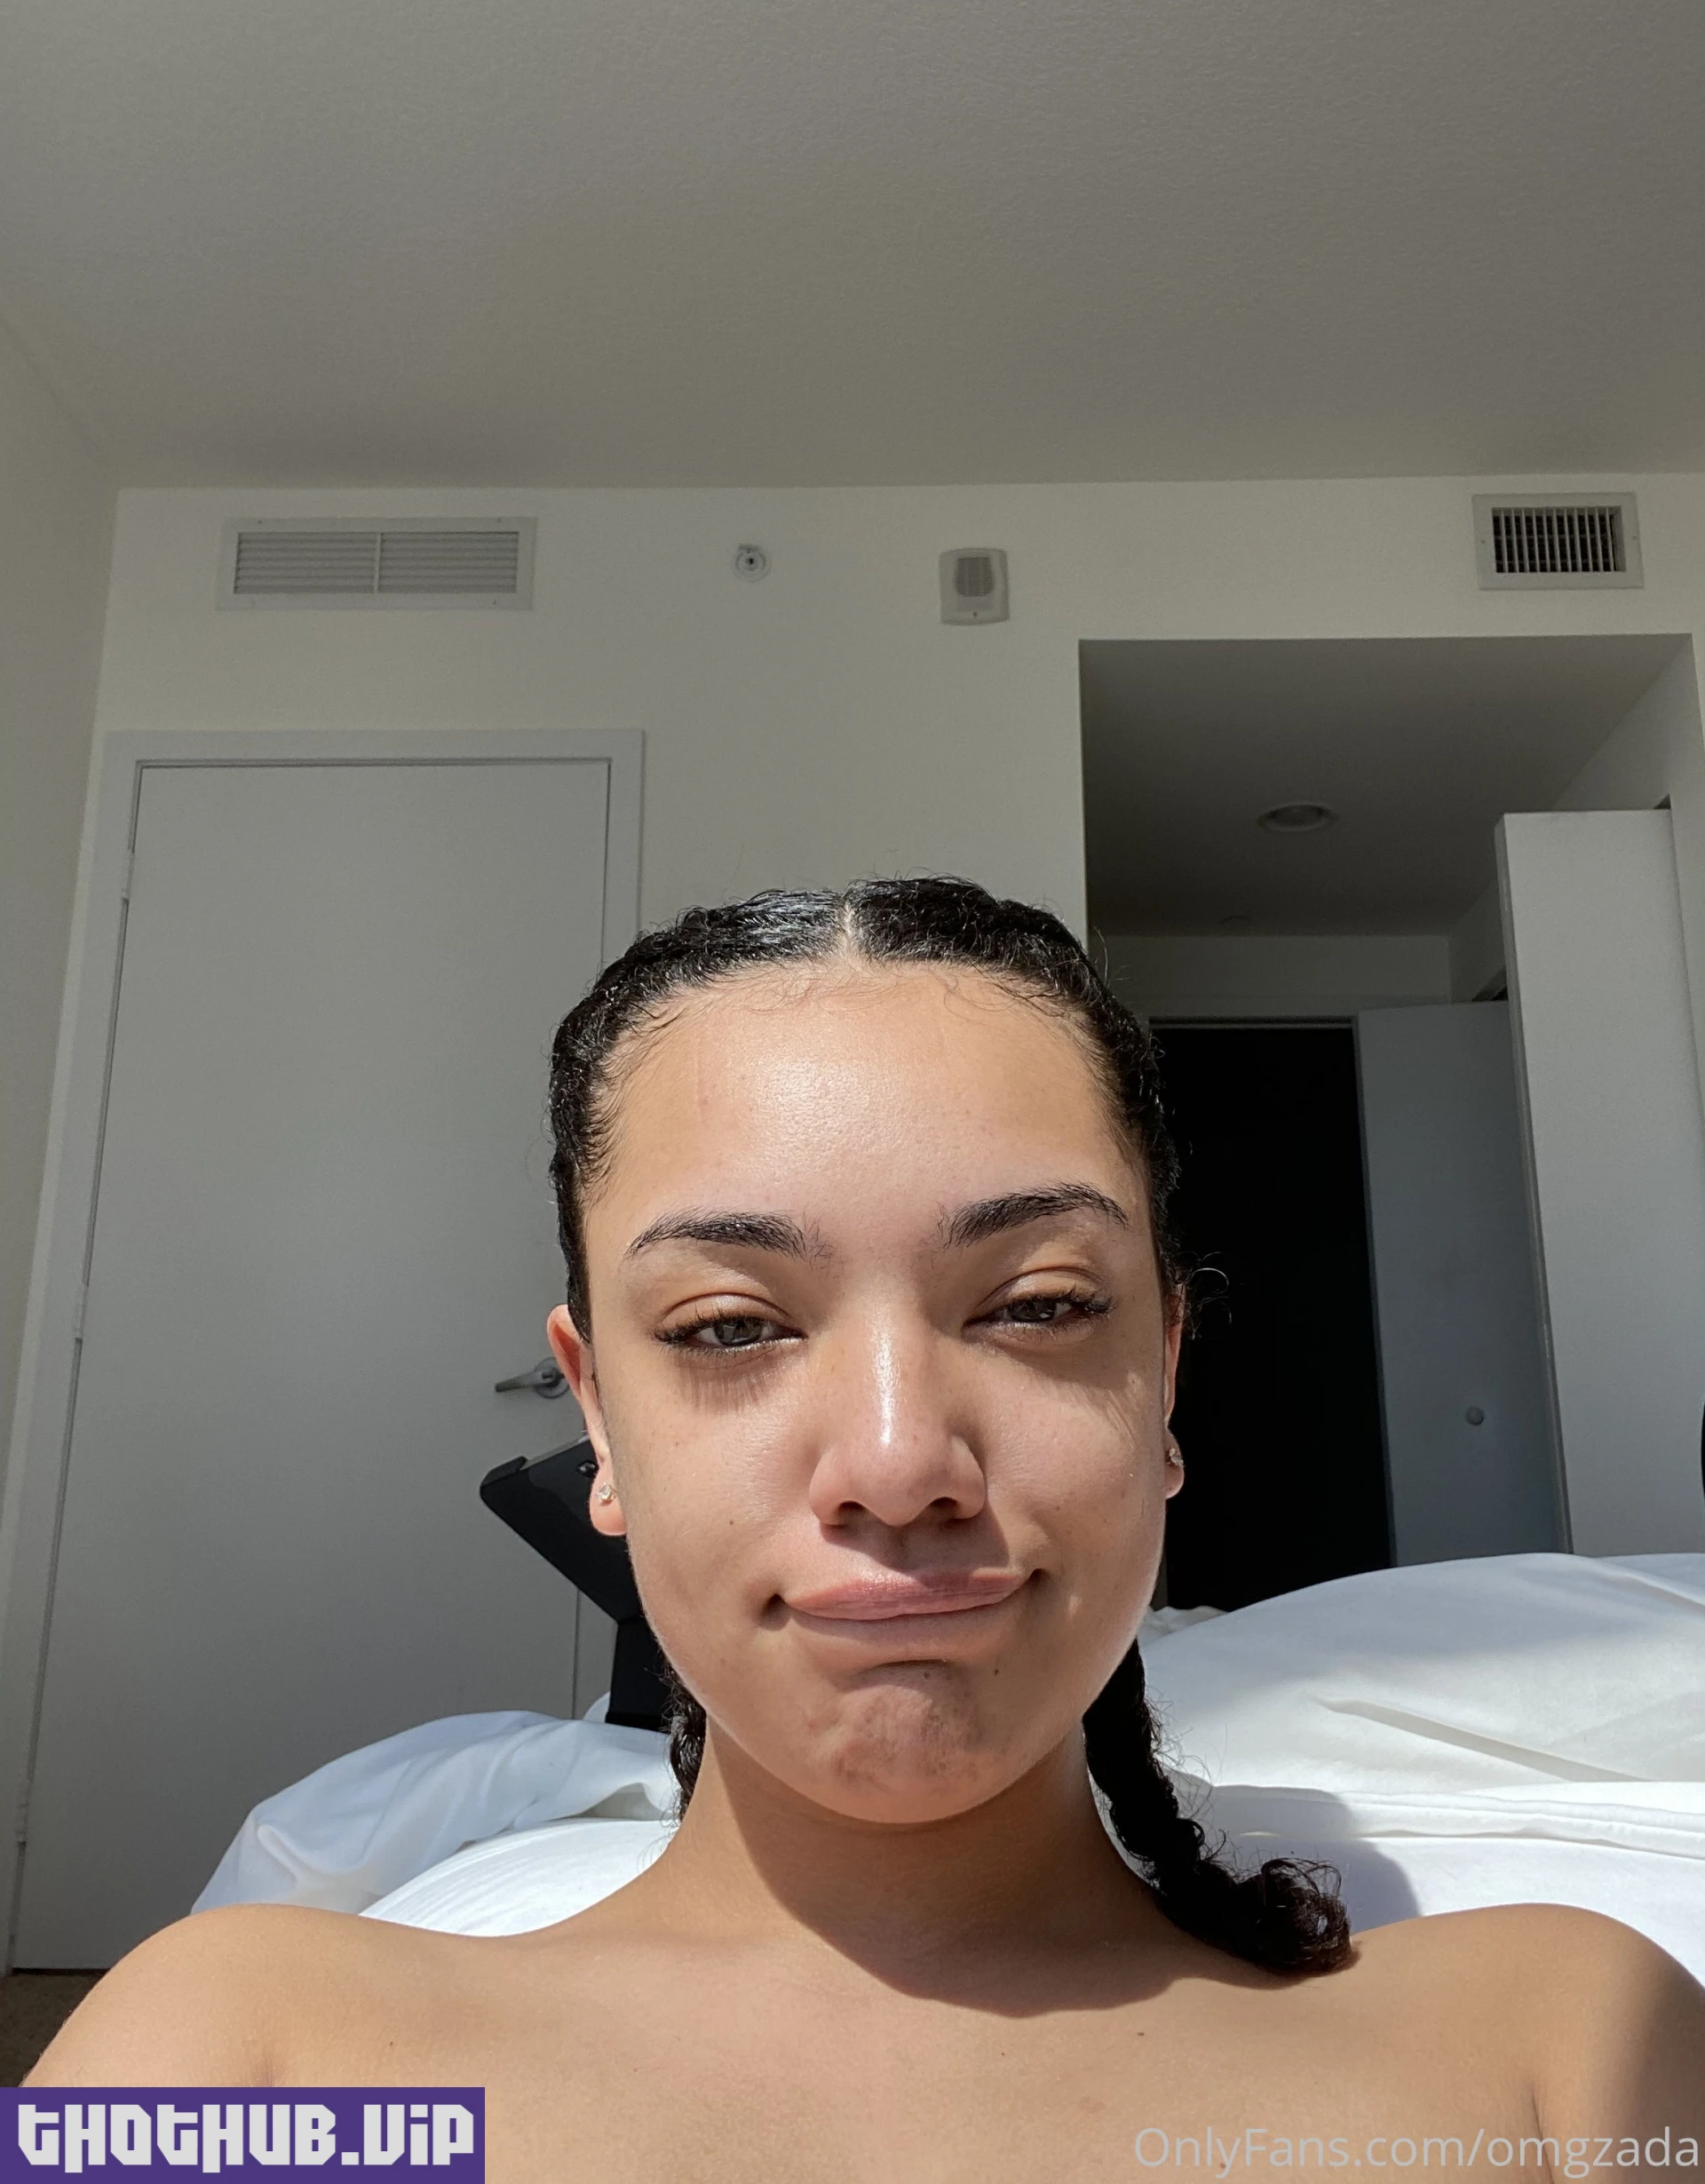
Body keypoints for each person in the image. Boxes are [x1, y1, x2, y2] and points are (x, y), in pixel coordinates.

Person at [34, 878, 1705, 2177]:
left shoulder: (1560, 2056)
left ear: (1164, 1376)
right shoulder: (247, 2062)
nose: (902, 1464)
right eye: (730, 1328)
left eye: (1038, 1306)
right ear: (596, 1414)